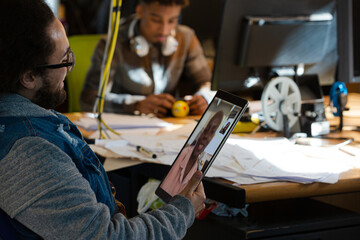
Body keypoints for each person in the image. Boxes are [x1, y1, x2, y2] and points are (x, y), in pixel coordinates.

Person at [0, 0, 206, 239]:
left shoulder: (26, 124)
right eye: (65, 59)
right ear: (28, 77)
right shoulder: (30, 150)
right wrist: (182, 211)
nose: (70, 69)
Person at [80, 0, 212, 117]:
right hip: (124, 129)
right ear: (140, 11)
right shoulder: (112, 43)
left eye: (172, 20)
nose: (164, 30)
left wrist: (204, 97)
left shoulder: (186, 37)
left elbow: (206, 82)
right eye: (156, 20)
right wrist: (135, 105)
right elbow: (89, 99)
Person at [160, 111, 224, 196]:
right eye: (205, 130)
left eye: (212, 132)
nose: (206, 136)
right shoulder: (184, 153)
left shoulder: (199, 167)